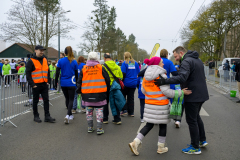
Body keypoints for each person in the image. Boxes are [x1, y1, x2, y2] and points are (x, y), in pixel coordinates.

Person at [129, 57, 191, 156]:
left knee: (149, 125)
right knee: (163, 125)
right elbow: (167, 92)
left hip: (149, 105)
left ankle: (135, 142)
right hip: (161, 105)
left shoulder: (145, 76)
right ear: (157, 64)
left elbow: (144, 91)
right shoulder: (162, 76)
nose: (163, 64)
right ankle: (161, 147)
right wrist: (181, 92)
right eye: (161, 62)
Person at [154, 46, 209, 154]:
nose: (175, 59)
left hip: (192, 94)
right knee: (196, 117)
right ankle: (202, 140)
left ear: (181, 52)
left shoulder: (186, 61)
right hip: (201, 93)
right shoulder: (197, 59)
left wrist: (164, 81)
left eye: (176, 56)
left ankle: (195, 147)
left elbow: (182, 77)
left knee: (191, 120)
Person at [76, 52, 110, 135]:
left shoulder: (84, 69)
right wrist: (106, 90)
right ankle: (99, 128)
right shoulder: (101, 68)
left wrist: (79, 91)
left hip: (87, 94)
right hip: (99, 94)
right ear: (97, 58)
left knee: (89, 111)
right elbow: (107, 79)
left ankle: (90, 127)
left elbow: (79, 82)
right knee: (99, 111)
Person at [26, 45, 55, 123]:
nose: (42, 52)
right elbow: (28, 74)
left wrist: (48, 80)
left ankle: (47, 116)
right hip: (36, 85)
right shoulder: (31, 61)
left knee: (46, 100)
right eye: (40, 50)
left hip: (44, 84)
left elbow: (47, 71)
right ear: (36, 50)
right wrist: (32, 84)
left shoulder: (45, 59)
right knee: (35, 101)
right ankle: (36, 116)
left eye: (43, 50)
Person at [55, 46, 78, 124]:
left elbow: (57, 72)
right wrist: (77, 83)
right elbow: (76, 74)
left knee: (67, 98)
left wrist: (55, 83)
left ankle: (70, 115)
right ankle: (68, 115)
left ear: (64, 53)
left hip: (63, 83)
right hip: (72, 82)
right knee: (71, 99)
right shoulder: (74, 62)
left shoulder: (60, 61)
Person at [102, 53, 123, 124]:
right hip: (115, 86)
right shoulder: (117, 66)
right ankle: (117, 119)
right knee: (115, 102)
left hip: (106, 87)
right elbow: (121, 76)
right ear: (111, 58)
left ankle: (105, 119)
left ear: (104, 58)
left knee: (105, 103)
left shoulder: (103, 66)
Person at [121, 52, 140, 117]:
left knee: (123, 97)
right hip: (133, 83)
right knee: (131, 98)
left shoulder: (124, 63)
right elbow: (138, 73)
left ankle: (124, 110)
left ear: (125, 56)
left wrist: (121, 81)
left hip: (126, 83)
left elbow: (123, 73)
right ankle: (131, 112)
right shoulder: (135, 63)